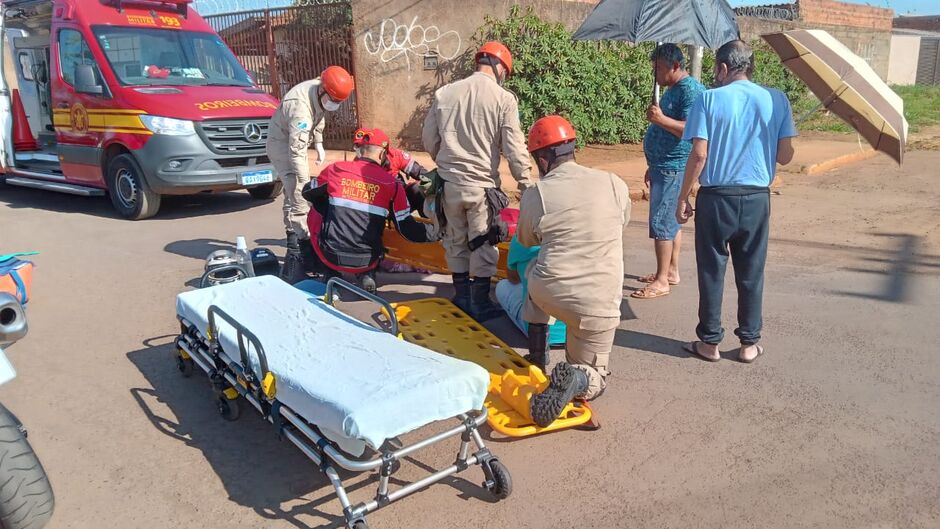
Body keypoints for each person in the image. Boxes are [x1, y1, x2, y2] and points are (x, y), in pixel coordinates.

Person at [676, 40, 796, 363]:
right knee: (752, 271)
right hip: (757, 199)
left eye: (716, 69)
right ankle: (748, 343)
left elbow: (699, 154)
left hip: (716, 198)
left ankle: (710, 342)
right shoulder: (777, 100)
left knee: (712, 270)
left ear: (724, 68)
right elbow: (785, 157)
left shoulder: (708, 99)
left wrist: (683, 195)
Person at [517, 116, 631, 428]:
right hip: (599, 305)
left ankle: (538, 357)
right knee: (597, 377)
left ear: (542, 159)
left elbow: (526, 239)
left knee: (534, 266)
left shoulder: (537, 193)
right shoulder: (614, 183)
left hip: (550, 293)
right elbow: (620, 223)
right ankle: (578, 378)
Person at [422, 41, 533, 321]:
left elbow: (428, 139)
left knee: (455, 240)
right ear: (500, 68)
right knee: (483, 243)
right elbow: (514, 148)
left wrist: (446, 161)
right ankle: (480, 303)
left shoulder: (444, 93)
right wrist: (526, 183)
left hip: (448, 185)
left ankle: (460, 298)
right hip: (482, 187)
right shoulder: (503, 99)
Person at [301, 128, 435, 292]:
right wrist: (438, 232)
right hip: (369, 256)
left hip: (330, 254)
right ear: (381, 154)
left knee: (317, 208)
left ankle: (330, 270)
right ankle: (366, 273)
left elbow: (307, 192)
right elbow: (408, 230)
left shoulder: (336, 169)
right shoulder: (391, 184)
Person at [633, 44, 705, 300]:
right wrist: (652, 163)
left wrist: (660, 119)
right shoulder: (673, 89)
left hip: (674, 167)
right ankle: (670, 271)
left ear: (675, 66)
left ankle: (662, 279)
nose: (656, 74)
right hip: (662, 165)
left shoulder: (691, 91)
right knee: (670, 222)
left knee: (662, 223)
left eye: (660, 68)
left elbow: (692, 129)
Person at [267, 66, 355, 272]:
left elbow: (320, 116)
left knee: (295, 193)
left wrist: (319, 143)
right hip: (282, 147)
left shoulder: (319, 90)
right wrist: (305, 181)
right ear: (324, 90)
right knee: (297, 191)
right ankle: (300, 245)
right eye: (334, 100)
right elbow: (296, 152)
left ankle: (297, 239)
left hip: (294, 142)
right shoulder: (300, 109)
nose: (335, 105)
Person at [494, 235, 567, 350]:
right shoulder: (581, 238)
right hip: (579, 332)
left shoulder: (522, 238)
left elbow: (513, 278)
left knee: (502, 286)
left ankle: (539, 344)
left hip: (540, 328)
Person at [353, 128, 428, 216]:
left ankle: (429, 225)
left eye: (363, 146)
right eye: (357, 147)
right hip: (377, 203)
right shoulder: (357, 164)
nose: (361, 150)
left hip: (401, 198)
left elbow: (418, 171)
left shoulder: (396, 155)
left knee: (417, 188)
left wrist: (434, 183)